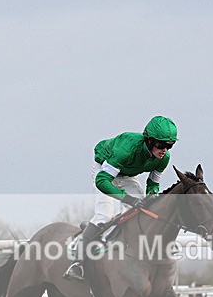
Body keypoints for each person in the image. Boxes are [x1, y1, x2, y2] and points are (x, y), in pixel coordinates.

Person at [64, 115, 178, 281]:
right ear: (149, 141)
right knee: (105, 215)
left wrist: (152, 196)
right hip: (104, 171)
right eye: (161, 145)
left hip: (127, 175)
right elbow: (102, 181)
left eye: (170, 145)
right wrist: (128, 199)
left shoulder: (164, 159)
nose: (164, 150)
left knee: (145, 211)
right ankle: (77, 263)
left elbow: (153, 183)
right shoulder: (126, 150)